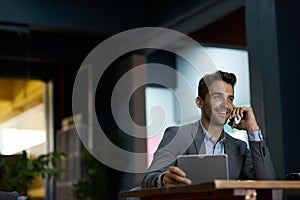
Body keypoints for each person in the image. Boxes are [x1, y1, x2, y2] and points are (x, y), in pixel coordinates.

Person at [142, 70, 275, 188]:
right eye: (218, 97)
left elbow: (267, 182)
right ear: (200, 102)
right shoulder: (178, 135)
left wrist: (253, 131)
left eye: (230, 99)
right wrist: (164, 180)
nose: (226, 105)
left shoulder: (238, 147)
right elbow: (149, 179)